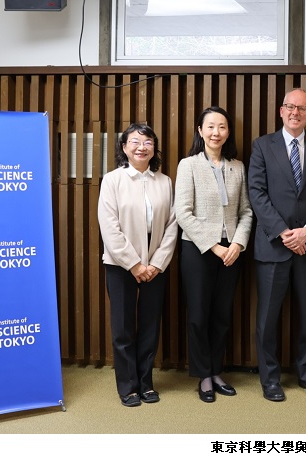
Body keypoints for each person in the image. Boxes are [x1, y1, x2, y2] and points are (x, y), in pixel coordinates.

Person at [248, 88, 306, 402]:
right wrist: (286, 233)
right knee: (268, 317)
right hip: (274, 246)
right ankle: (270, 379)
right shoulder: (262, 145)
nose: (295, 113)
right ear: (280, 110)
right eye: (290, 106)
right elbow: (256, 193)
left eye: (302, 108)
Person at [174, 106, 253, 403]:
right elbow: (183, 212)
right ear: (200, 130)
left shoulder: (238, 167)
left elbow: (246, 211)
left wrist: (238, 244)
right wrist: (214, 245)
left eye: (221, 127)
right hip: (198, 250)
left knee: (222, 314)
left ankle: (216, 370)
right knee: (198, 314)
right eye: (210, 126)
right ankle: (203, 374)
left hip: (232, 252)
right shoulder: (188, 165)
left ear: (228, 131)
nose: (215, 132)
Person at [97, 123, 178, 407]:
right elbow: (109, 227)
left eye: (147, 142)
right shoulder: (112, 180)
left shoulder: (165, 182)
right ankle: (127, 386)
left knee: (149, 326)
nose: (141, 147)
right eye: (134, 142)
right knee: (122, 327)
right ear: (124, 147)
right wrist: (134, 264)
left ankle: (146, 383)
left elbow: (172, 226)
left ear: (154, 148)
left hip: (155, 266)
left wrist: (155, 264)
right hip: (121, 265)